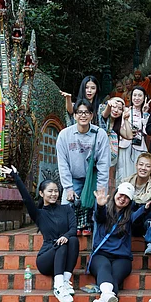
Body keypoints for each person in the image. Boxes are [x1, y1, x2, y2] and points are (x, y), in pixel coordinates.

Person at [3, 165, 77, 302]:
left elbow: (73, 228)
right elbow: (26, 198)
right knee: (61, 243)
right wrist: (16, 177)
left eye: (56, 191)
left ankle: (65, 281)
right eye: (50, 191)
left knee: (72, 240)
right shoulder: (39, 214)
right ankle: (58, 286)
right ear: (42, 194)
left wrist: (65, 236)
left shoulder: (67, 209)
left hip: (63, 254)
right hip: (46, 259)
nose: (54, 194)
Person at [88, 183, 151, 302]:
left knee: (115, 277)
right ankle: (107, 297)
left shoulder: (129, 216)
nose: (122, 199)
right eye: (121, 195)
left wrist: (147, 207)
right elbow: (99, 216)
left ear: (130, 201)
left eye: (127, 197)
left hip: (122, 257)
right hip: (101, 254)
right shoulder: (104, 210)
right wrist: (100, 205)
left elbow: (138, 216)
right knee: (104, 267)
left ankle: (103, 301)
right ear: (115, 194)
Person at [56, 98, 110, 235]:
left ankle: (96, 237)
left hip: (92, 179)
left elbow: (104, 164)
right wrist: (68, 188)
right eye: (79, 112)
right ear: (74, 115)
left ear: (92, 115)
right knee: (65, 208)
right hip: (74, 178)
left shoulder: (100, 134)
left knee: (99, 208)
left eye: (87, 112)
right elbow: (62, 164)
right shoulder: (64, 135)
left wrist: (101, 189)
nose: (83, 115)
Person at [99, 97, 134, 190]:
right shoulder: (102, 121)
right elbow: (104, 115)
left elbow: (130, 136)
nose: (116, 110)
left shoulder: (116, 127)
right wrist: (109, 105)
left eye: (120, 109)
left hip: (110, 162)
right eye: (115, 107)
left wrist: (126, 119)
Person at [118, 87, 151, 181]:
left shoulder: (146, 114)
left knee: (138, 174)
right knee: (123, 173)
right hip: (125, 145)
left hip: (140, 146)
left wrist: (145, 113)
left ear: (144, 98)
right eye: (134, 95)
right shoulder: (125, 110)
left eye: (140, 95)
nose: (137, 98)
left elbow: (147, 131)